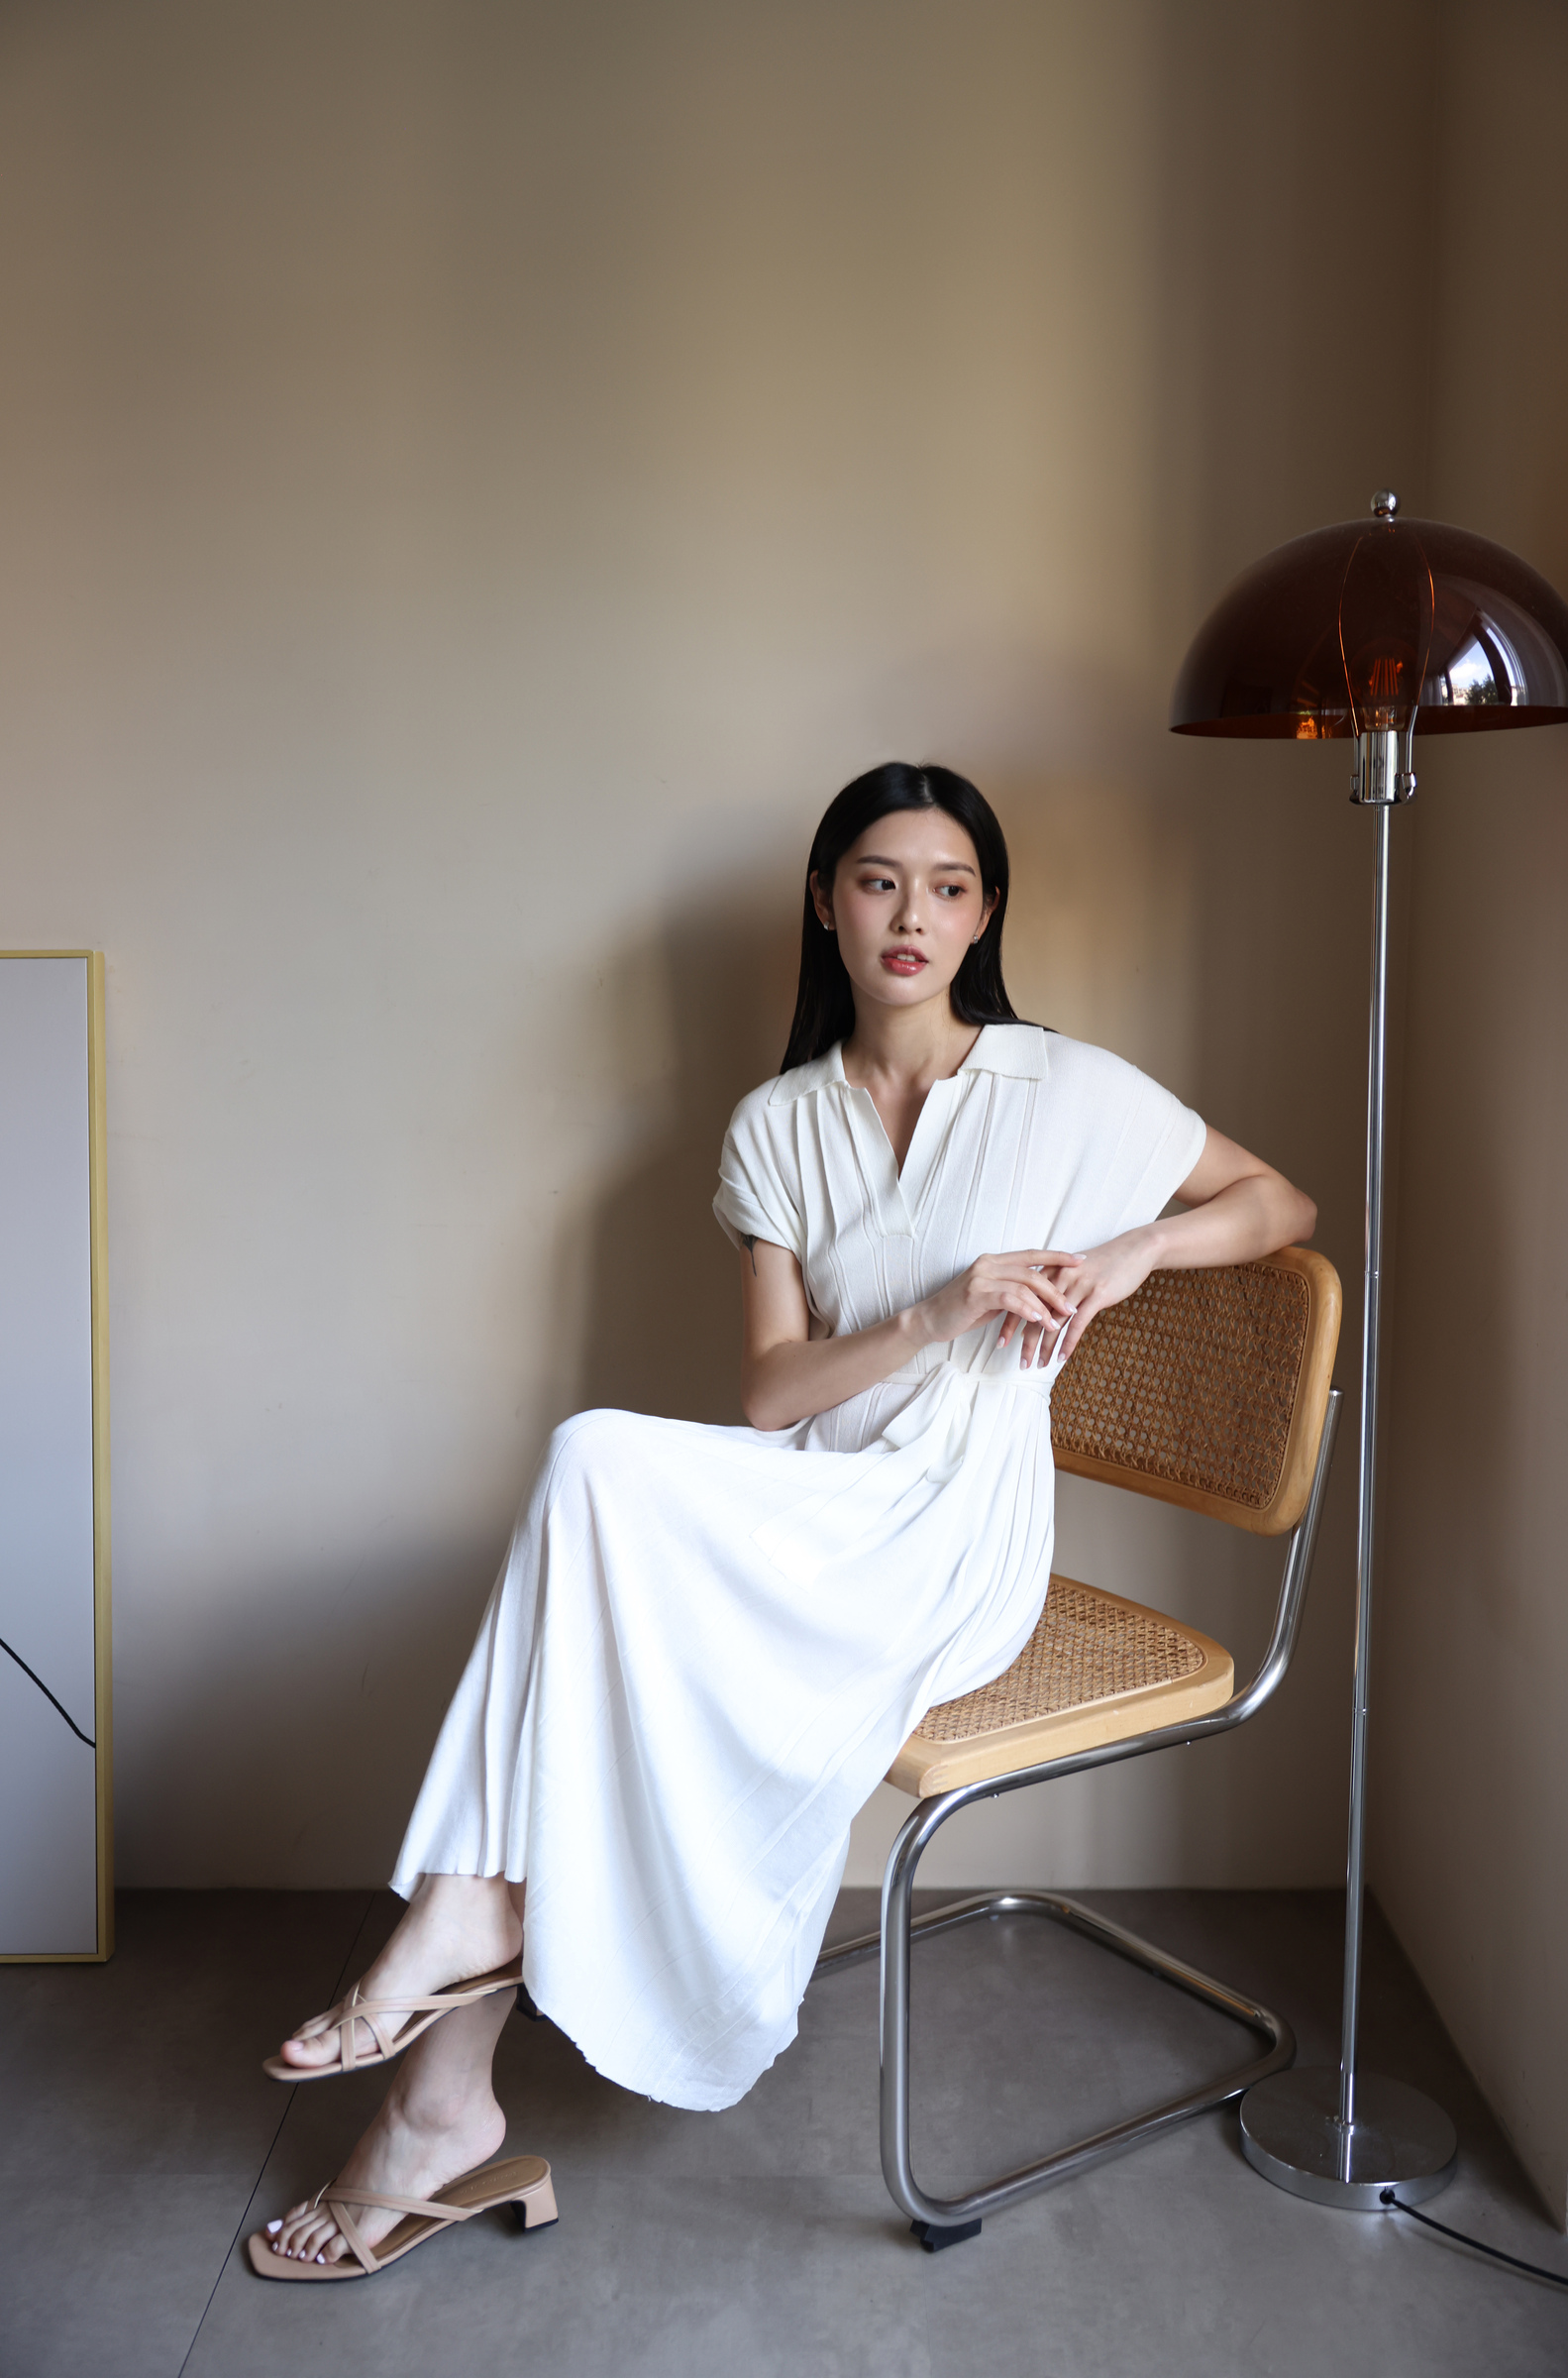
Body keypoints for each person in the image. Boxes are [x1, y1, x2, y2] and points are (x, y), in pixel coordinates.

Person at [253, 762, 1315, 2278]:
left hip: (957, 1536)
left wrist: (1139, 1248)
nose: (912, 915)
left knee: (586, 1523)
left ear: (984, 916)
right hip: (810, 1503)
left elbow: (1280, 1206)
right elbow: (769, 1395)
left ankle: (447, 2004)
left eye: (948, 887)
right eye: (879, 881)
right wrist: (940, 1308)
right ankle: (447, 2065)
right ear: (826, 902)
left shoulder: (1065, 1088)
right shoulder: (775, 1124)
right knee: (591, 1475)